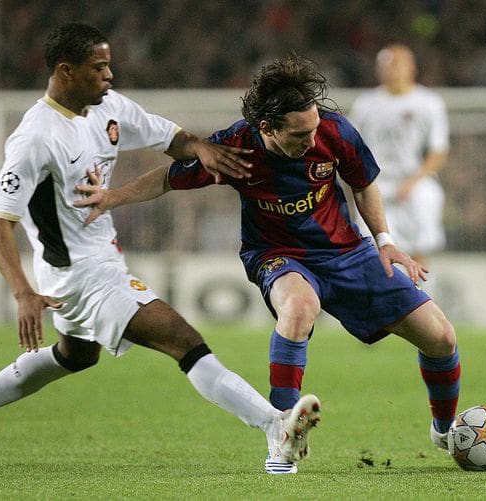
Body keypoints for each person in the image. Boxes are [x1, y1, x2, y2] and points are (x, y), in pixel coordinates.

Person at [0, 23, 321, 475]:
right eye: (99, 67)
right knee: (183, 340)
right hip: (81, 276)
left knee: (76, 355)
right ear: (65, 71)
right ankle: (274, 426)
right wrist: (21, 292)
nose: (110, 75)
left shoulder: (108, 108)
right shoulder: (34, 137)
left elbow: (170, 137)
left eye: (109, 64)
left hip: (98, 262)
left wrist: (199, 148)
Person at [74, 54, 461, 469]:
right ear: (266, 128)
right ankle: (281, 436)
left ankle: (443, 430)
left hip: (347, 252)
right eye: (299, 134)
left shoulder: (334, 131)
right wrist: (111, 197)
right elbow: (169, 178)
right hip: (276, 254)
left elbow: (363, 184)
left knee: (441, 337)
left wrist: (384, 240)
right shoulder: (235, 148)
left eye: (314, 129)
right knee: (298, 307)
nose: (312, 141)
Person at [349, 43, 449, 266]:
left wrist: (412, 182)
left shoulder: (429, 102)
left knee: (420, 243)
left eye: (396, 63)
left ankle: (420, 292)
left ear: (411, 67)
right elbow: (352, 147)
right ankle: (381, 294)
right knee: (373, 247)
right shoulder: (365, 104)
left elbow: (438, 151)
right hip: (376, 182)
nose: (390, 68)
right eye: (384, 64)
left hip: (415, 182)